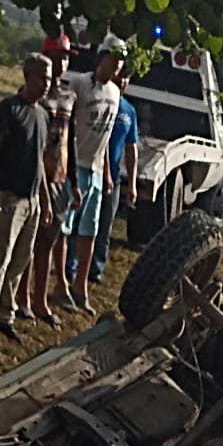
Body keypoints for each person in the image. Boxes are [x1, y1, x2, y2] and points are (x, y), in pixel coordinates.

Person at [0, 54, 54, 346]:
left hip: (32, 200)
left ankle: (6, 315)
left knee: (20, 260)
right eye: (42, 77)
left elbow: (41, 161)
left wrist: (45, 201)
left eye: (50, 78)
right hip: (10, 195)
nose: (47, 84)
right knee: (0, 258)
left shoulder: (44, 115)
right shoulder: (9, 109)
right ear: (27, 76)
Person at [58, 34, 127, 315]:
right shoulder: (80, 85)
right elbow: (66, 127)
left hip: (98, 170)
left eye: (121, 62)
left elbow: (108, 135)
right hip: (77, 165)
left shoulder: (116, 93)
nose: (117, 66)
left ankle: (80, 287)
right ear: (101, 58)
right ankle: (60, 283)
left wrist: (108, 172)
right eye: (114, 59)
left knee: (90, 230)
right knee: (65, 227)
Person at [18, 34, 79, 329]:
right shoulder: (34, 96)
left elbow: (73, 140)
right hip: (36, 176)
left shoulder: (69, 97)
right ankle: (22, 297)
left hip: (61, 176)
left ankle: (41, 299)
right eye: (56, 57)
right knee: (29, 241)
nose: (61, 63)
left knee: (49, 242)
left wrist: (75, 182)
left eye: (65, 58)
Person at [66, 69, 137, 287]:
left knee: (102, 227)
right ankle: (71, 267)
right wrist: (104, 172)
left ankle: (94, 271)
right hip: (93, 169)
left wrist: (131, 183)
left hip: (113, 178)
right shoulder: (102, 99)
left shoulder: (128, 110)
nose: (122, 81)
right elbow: (101, 140)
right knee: (77, 223)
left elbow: (131, 147)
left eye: (126, 78)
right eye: (119, 77)